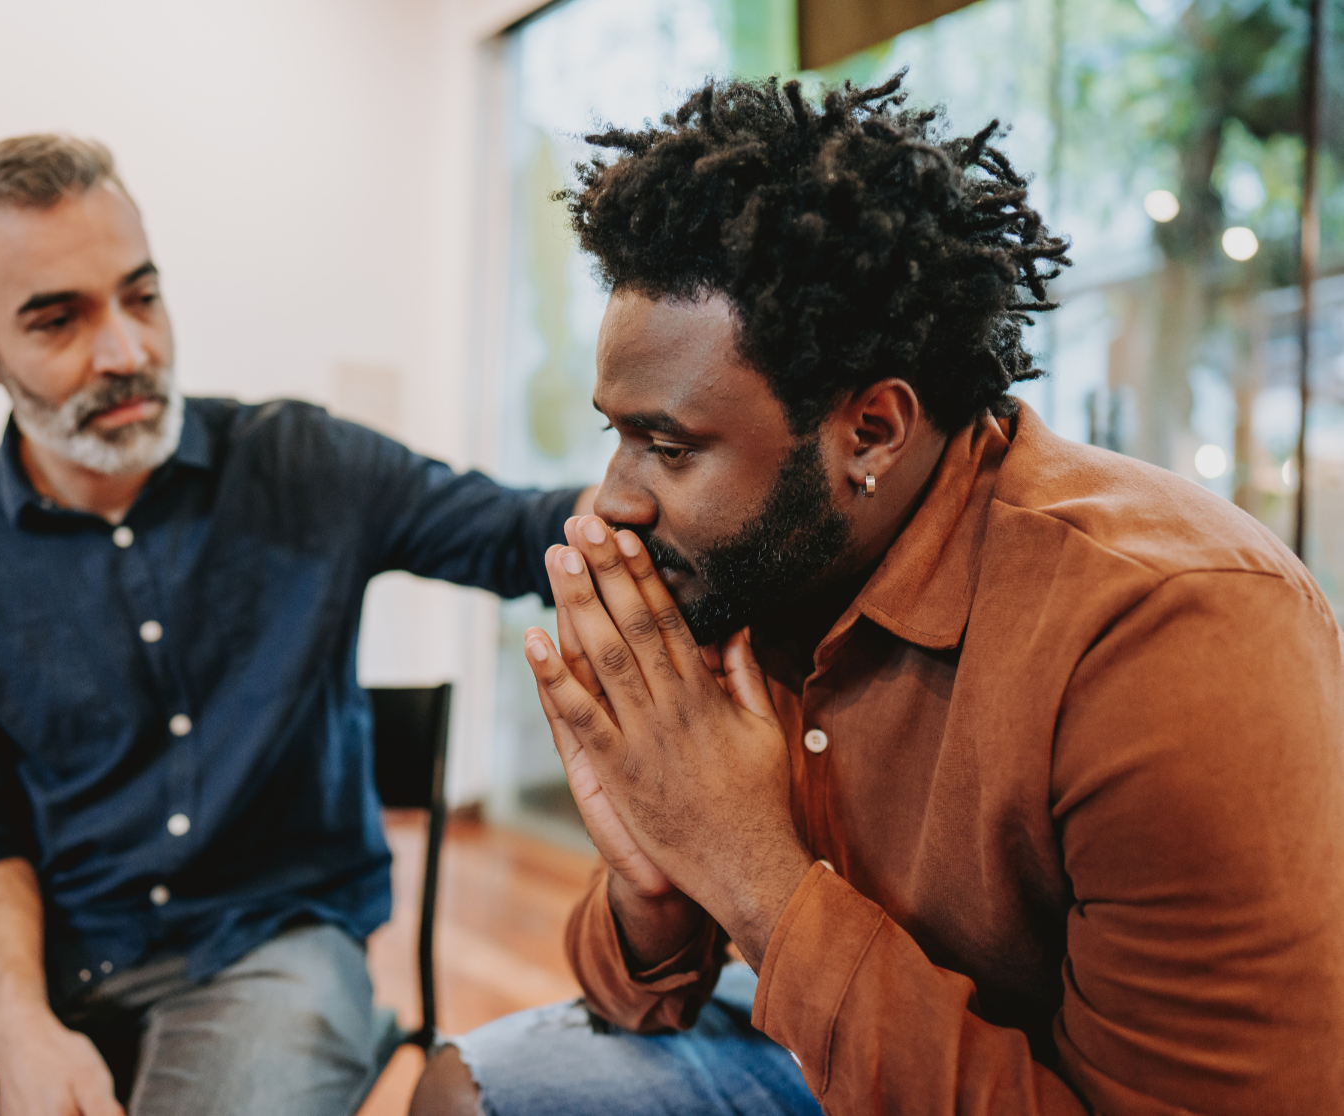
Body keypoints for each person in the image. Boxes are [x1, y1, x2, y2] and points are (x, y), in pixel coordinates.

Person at [411, 74, 1344, 1115]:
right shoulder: (755, 575)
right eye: (616, 435)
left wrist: (748, 868)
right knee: (464, 1094)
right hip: (817, 1044)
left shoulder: (1175, 629)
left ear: (871, 433)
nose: (609, 504)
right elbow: (634, 1005)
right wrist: (653, 879)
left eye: (667, 446)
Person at [0, 134, 590, 1116]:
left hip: (275, 945)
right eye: (56, 320)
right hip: (47, 940)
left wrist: (697, 464)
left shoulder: (303, 463)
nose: (127, 352)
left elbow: (523, 534)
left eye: (142, 295)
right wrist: (19, 1027)